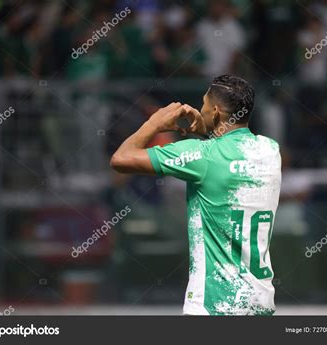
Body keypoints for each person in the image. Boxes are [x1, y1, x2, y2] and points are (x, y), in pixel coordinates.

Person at [110, 75, 282, 315]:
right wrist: (210, 132)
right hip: (259, 303)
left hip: (214, 304)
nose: (200, 109)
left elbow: (121, 159)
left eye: (204, 104)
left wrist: (155, 122)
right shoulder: (270, 150)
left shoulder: (202, 155)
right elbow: (227, 159)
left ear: (216, 112)